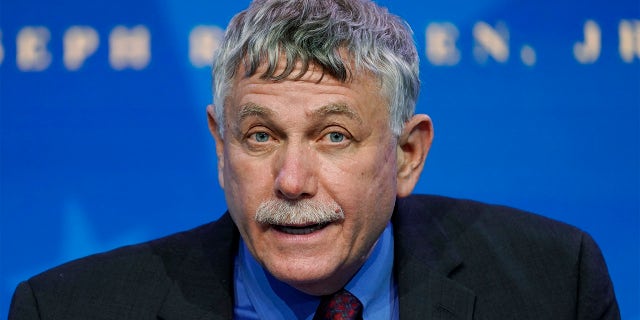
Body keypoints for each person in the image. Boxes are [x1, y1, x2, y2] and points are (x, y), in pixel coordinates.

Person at [9, 0, 620, 319]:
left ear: (407, 155)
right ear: (221, 149)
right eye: (259, 137)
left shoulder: (552, 286)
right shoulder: (67, 310)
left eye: (333, 137)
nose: (292, 182)